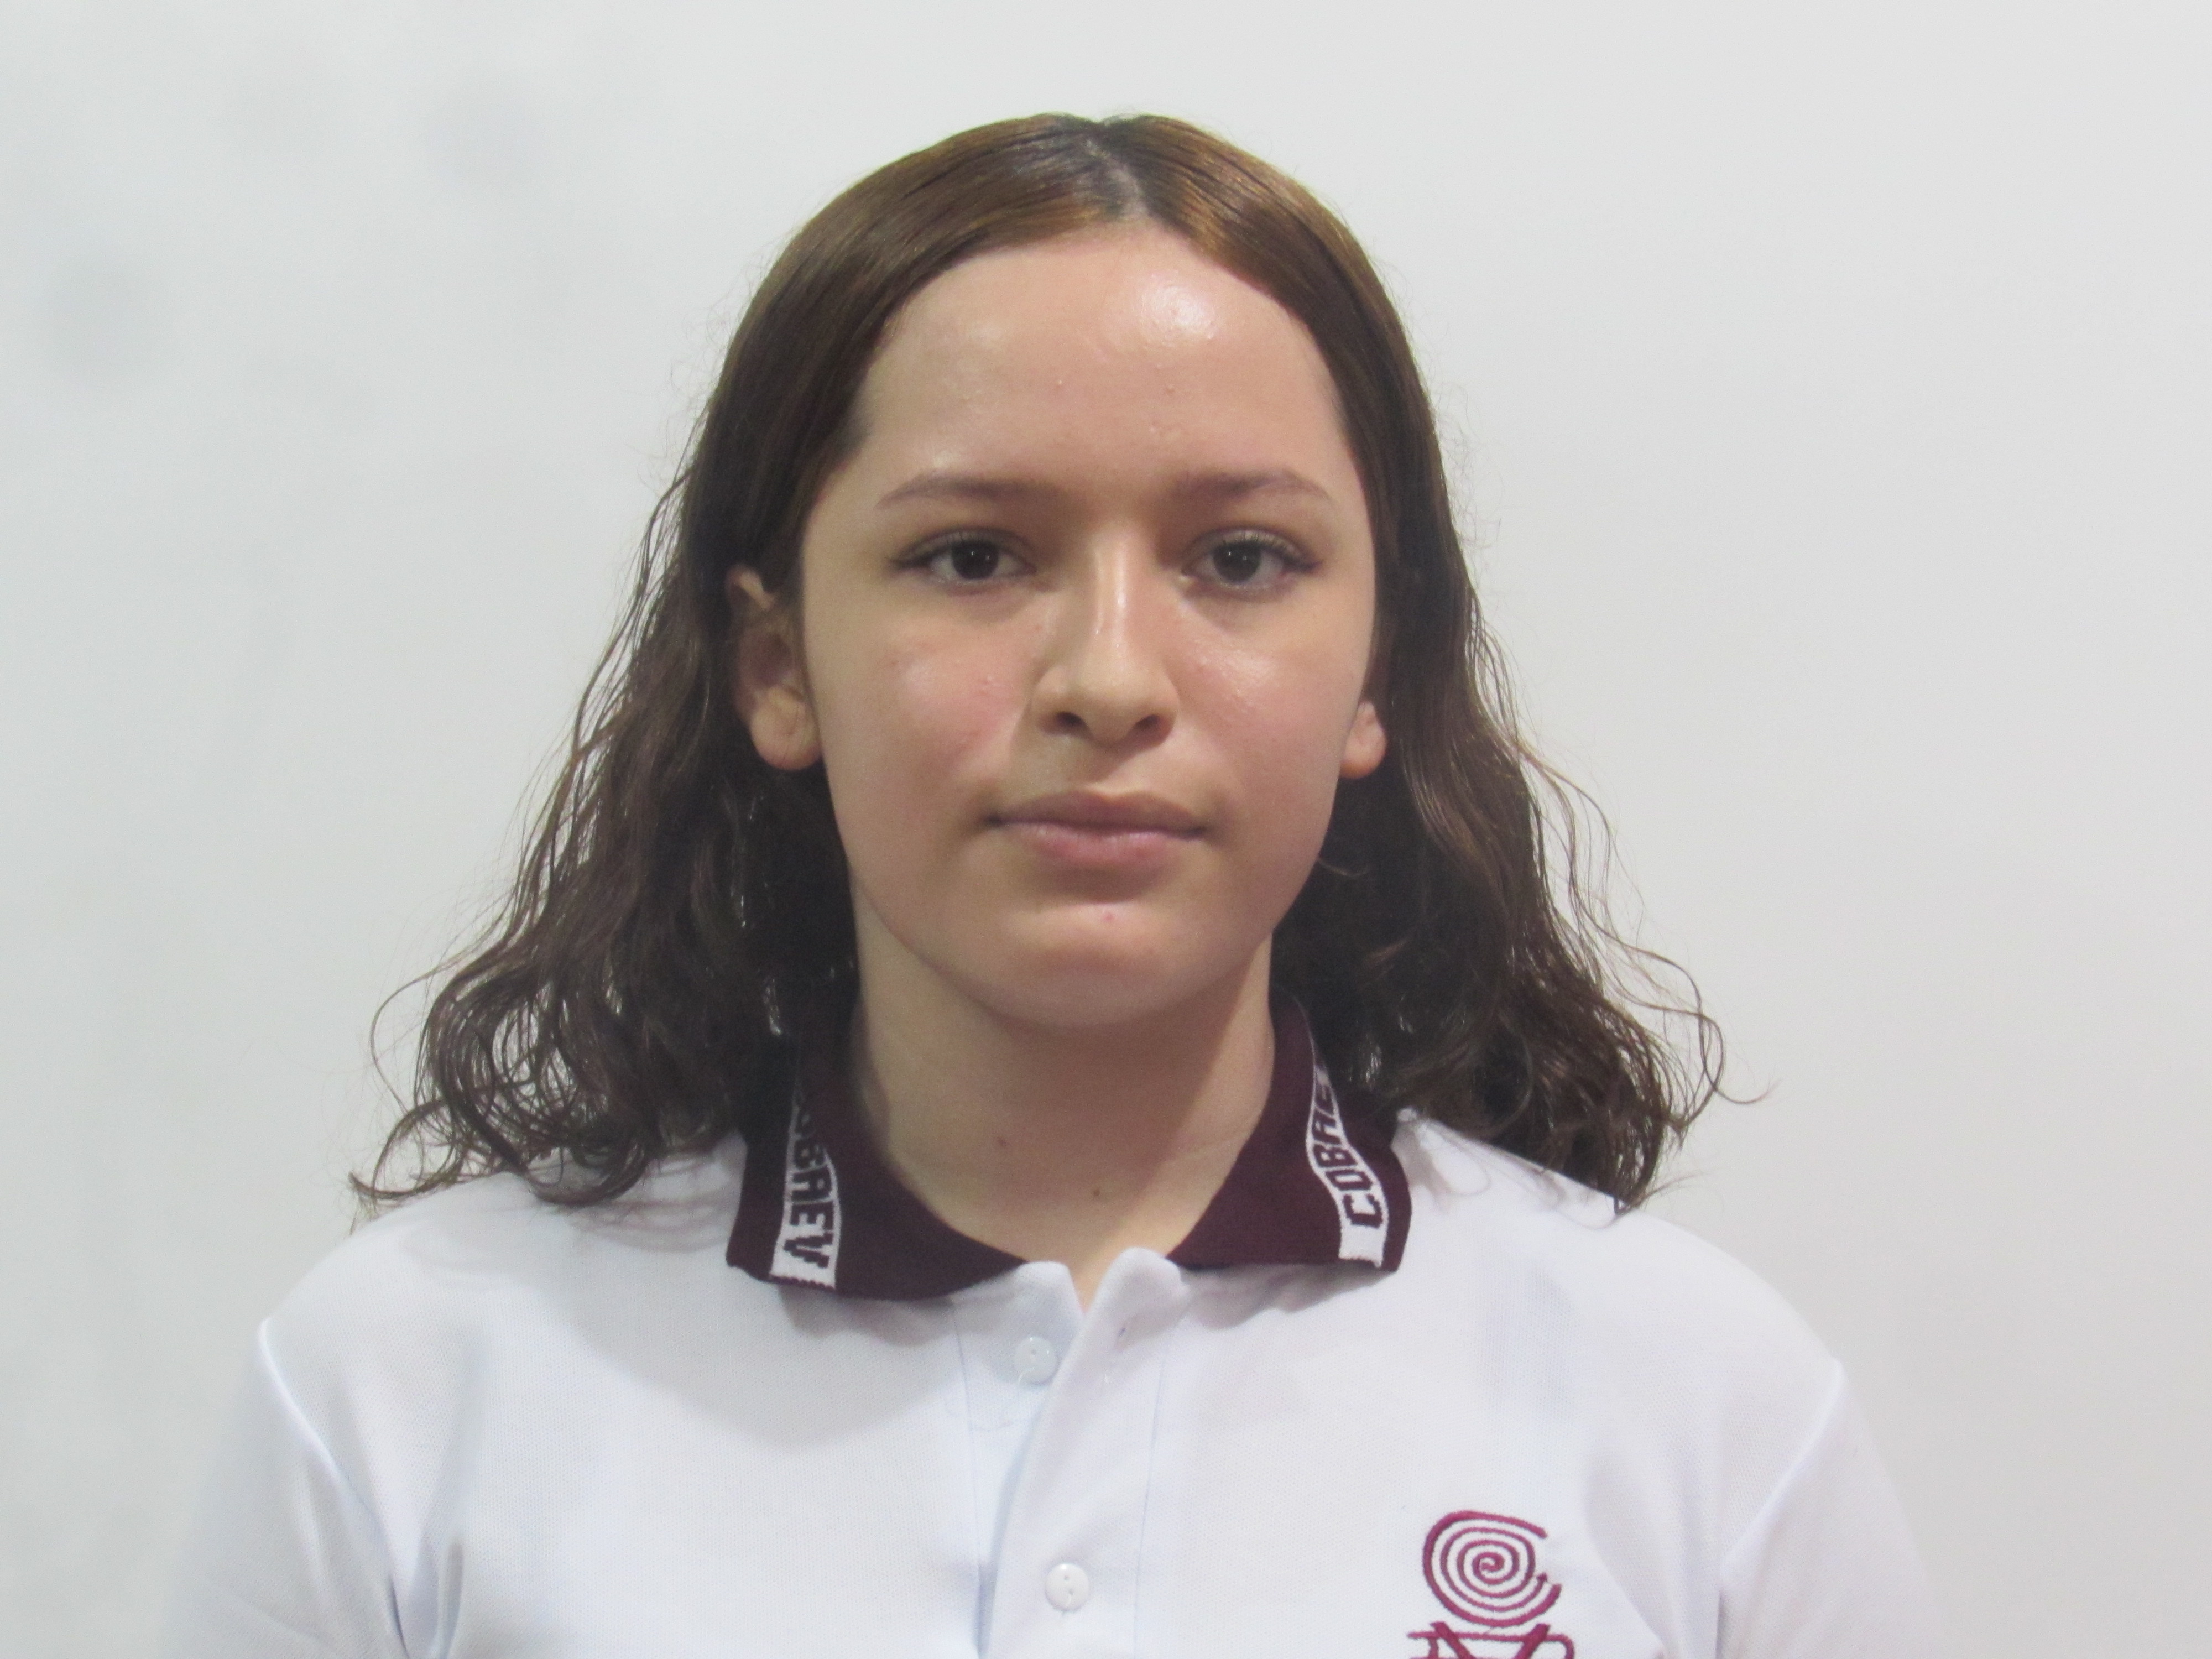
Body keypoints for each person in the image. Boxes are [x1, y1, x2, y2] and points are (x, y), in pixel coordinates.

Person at [163, 114, 1939, 1658]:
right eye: (973, 556)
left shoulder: (1697, 1406)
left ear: (1377, 671)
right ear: (778, 665)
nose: (1109, 677)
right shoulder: (403, 1390)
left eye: (1240, 557)